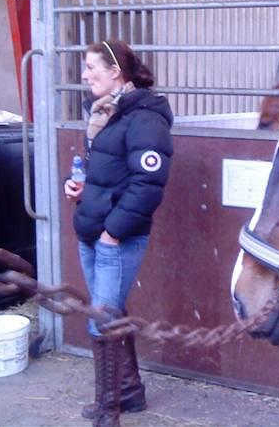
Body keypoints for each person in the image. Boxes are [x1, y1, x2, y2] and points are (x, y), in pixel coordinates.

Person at [64, 39, 173, 427]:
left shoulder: (145, 117)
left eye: (92, 67)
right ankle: (129, 392)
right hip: (92, 229)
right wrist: (77, 185)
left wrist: (114, 232)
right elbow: (104, 173)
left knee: (102, 319)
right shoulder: (104, 114)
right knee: (109, 311)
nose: (85, 74)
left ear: (116, 72)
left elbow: (149, 183)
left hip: (115, 237)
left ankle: (109, 410)